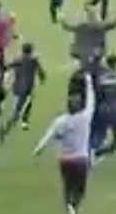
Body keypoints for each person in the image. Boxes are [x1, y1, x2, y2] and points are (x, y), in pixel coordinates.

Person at [32, 71, 99, 214]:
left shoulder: (60, 121)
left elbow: (48, 135)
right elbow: (92, 101)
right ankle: (73, 206)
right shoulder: (84, 118)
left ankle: (69, 205)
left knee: (67, 186)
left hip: (64, 160)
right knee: (80, 189)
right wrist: (89, 83)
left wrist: (39, 148)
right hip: (81, 159)